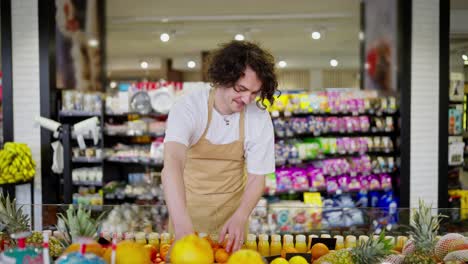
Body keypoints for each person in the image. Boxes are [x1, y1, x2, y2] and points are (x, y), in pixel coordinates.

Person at [161, 40, 278, 253]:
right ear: (223, 78)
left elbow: (257, 177)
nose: (247, 99)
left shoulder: (258, 116)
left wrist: (241, 215)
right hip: (186, 215)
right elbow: (173, 163)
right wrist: (181, 224)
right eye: (240, 89)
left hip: (232, 222)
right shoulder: (189, 107)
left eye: (254, 93)